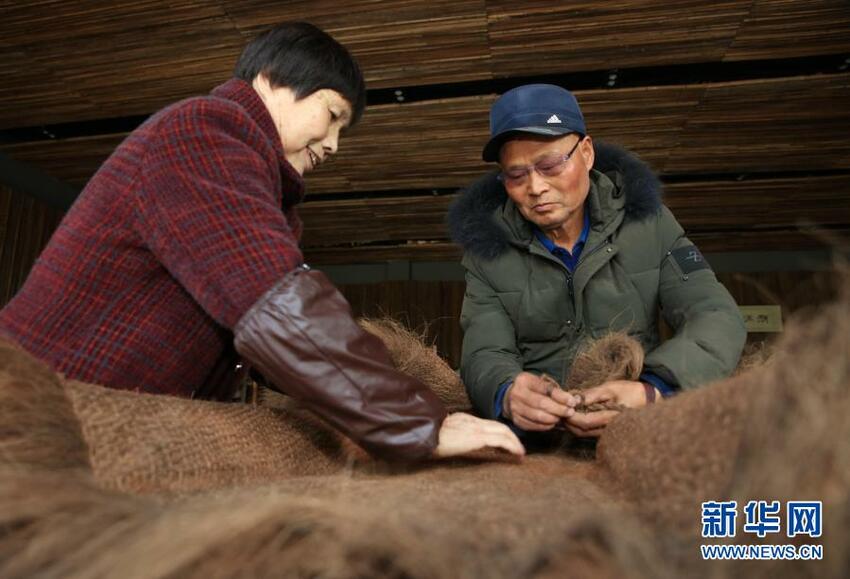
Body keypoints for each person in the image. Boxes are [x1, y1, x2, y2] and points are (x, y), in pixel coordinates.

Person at [0, 22, 523, 462]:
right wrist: (415, 422)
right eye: (332, 114)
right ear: (272, 80)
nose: (335, 144)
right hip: (31, 419)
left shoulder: (260, 186)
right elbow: (274, 301)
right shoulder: (206, 129)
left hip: (94, 428)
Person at [448, 84, 746, 438]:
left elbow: (716, 315)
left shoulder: (651, 225)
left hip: (639, 431)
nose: (535, 187)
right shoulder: (486, 252)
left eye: (550, 165)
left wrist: (653, 389)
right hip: (539, 445)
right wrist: (507, 392)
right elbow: (484, 351)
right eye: (516, 175)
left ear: (586, 154)